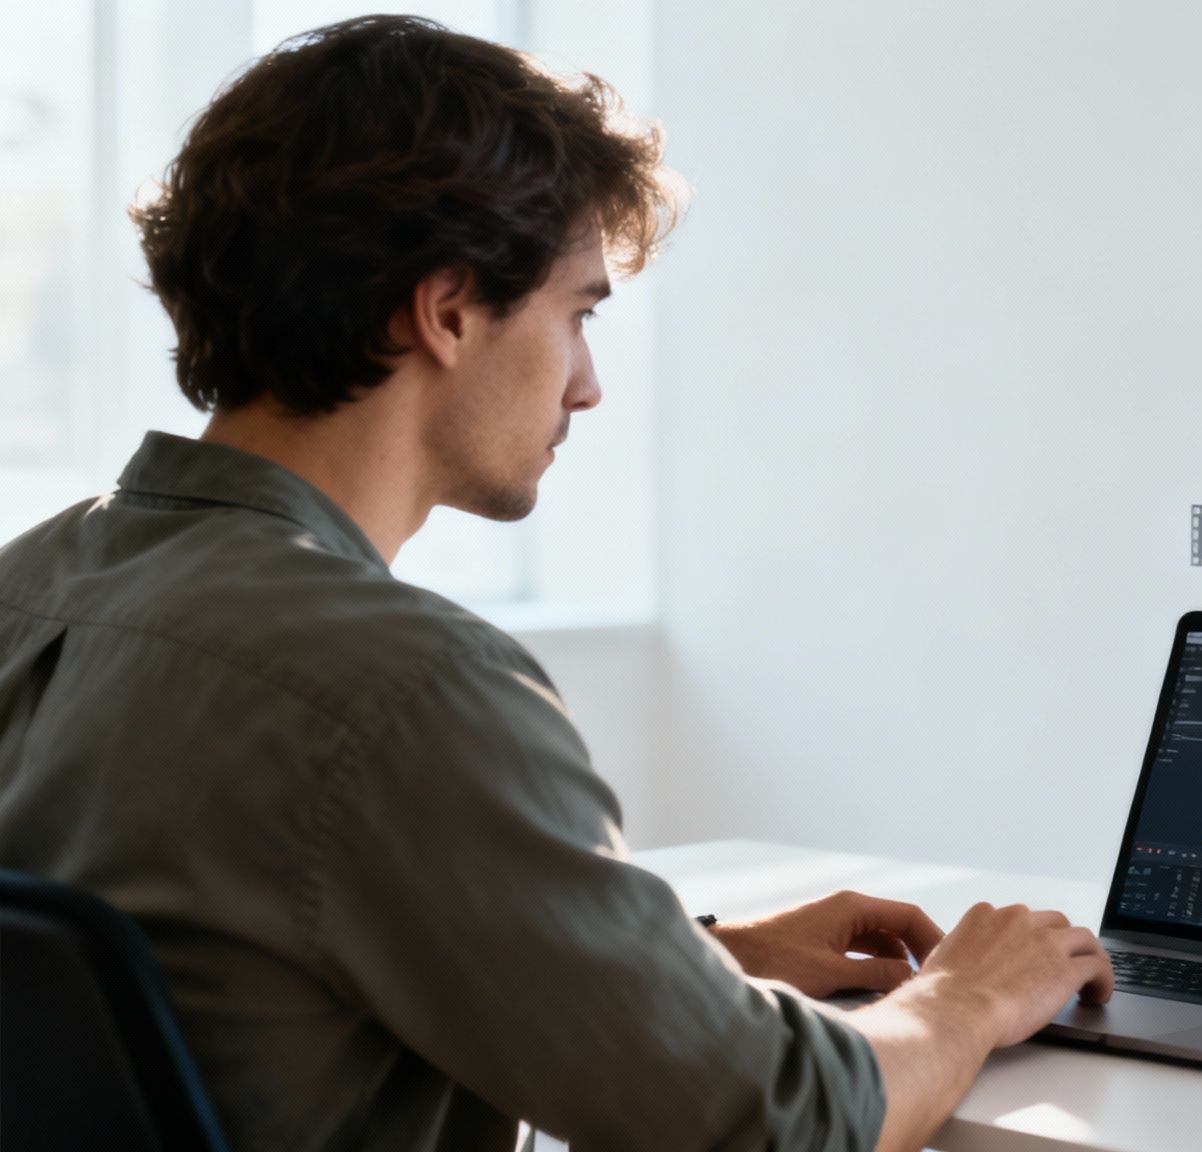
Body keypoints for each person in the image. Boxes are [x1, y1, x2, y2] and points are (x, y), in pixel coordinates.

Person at [0, 16, 1110, 1152]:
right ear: (446, 311)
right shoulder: (407, 689)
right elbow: (772, 1125)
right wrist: (965, 996)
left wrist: (696, 965)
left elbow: (234, 985)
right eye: (577, 314)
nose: (586, 385)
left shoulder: (25, 585)